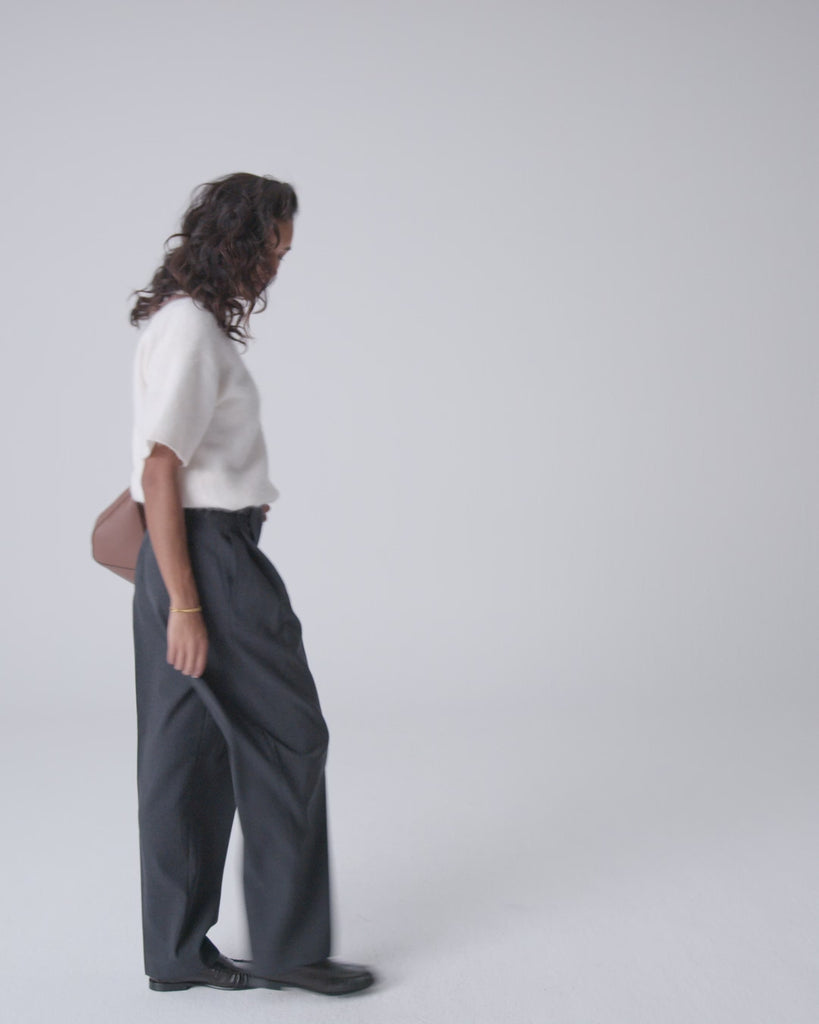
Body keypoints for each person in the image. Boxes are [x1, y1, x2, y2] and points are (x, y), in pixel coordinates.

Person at [127, 171, 375, 997]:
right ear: (236, 238)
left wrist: (170, 574)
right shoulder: (192, 330)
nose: (275, 266)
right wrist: (187, 603)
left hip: (177, 555)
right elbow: (160, 467)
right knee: (288, 737)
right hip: (209, 562)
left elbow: (170, 460)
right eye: (272, 248)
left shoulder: (175, 322)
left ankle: (176, 953)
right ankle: (290, 949)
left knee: (184, 755)